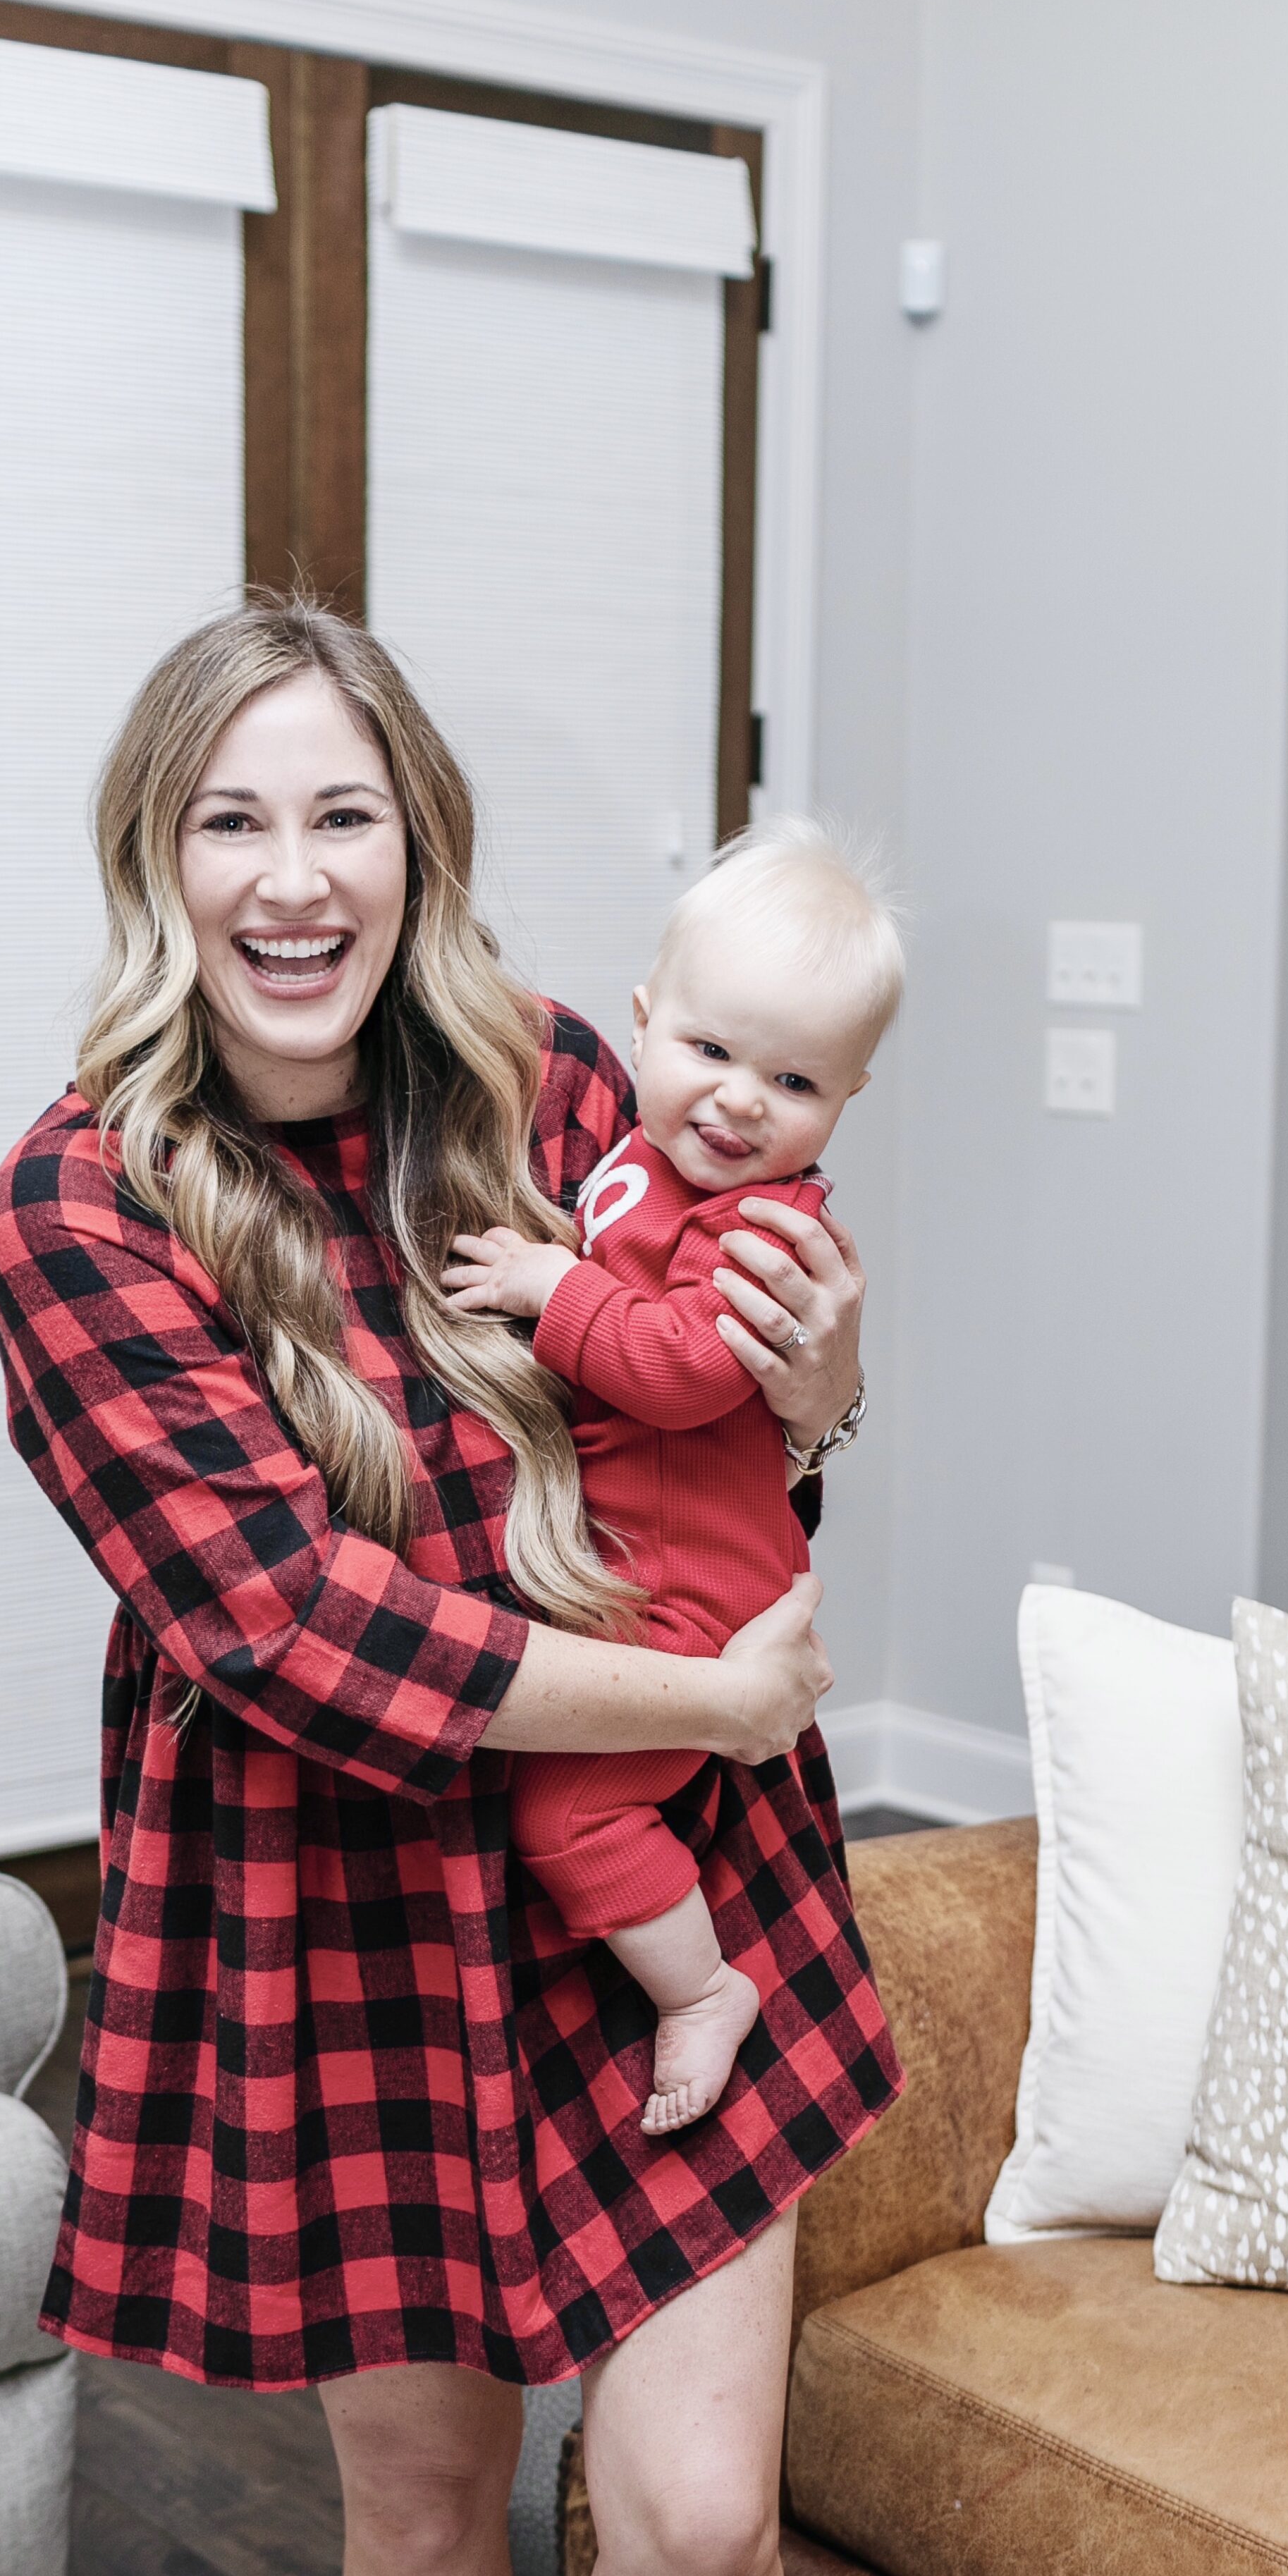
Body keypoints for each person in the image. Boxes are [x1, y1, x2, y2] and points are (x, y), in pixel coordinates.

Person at [0, 600, 898, 2576]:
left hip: (656, 1897)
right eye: (232, 821)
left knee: (697, 2514)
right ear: (160, 859)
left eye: (341, 814)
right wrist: (707, 1696)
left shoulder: (566, 1087)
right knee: (412, 2495)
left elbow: (738, 1451)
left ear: (420, 842)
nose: (293, 878)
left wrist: (826, 1395)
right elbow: (299, 1638)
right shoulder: (76, 1206)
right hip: (345, 1910)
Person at [443, 825, 901, 2135]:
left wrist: (551, 1288)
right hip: (638, 1556)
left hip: (702, 1584)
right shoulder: (625, 1158)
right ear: (642, 1027)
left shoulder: (768, 1222)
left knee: (571, 1812)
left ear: (846, 1098)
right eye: (708, 1052)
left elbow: (689, 1369)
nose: (742, 1101)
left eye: (794, 1079)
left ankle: (701, 1994)